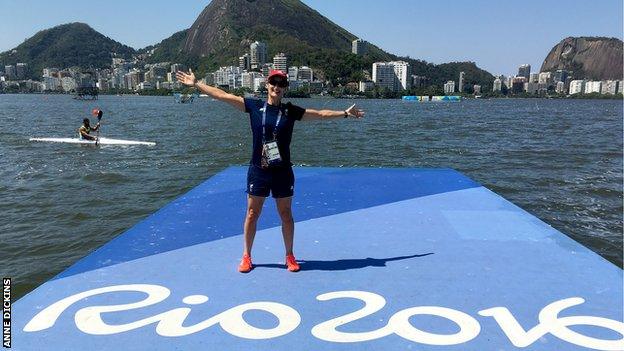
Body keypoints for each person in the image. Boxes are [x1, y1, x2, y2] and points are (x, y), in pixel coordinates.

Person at [176, 69, 364, 273]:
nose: (277, 87)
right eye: (273, 82)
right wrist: (196, 84)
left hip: (282, 171)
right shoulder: (255, 107)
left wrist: (345, 113)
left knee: (285, 213)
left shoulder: (290, 111)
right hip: (259, 170)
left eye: (281, 84)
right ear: (267, 85)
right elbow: (222, 95)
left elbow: (319, 114)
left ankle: (289, 256)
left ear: (285, 89)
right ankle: (247, 255)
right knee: (251, 213)